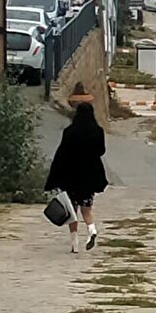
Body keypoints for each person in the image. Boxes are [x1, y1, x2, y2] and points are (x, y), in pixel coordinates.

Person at [45, 102, 108, 253]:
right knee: (86, 210)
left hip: (71, 176)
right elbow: (101, 151)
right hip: (89, 176)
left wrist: (54, 177)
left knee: (72, 211)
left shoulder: (69, 131)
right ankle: (91, 230)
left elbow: (62, 153)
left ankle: (75, 244)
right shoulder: (98, 131)